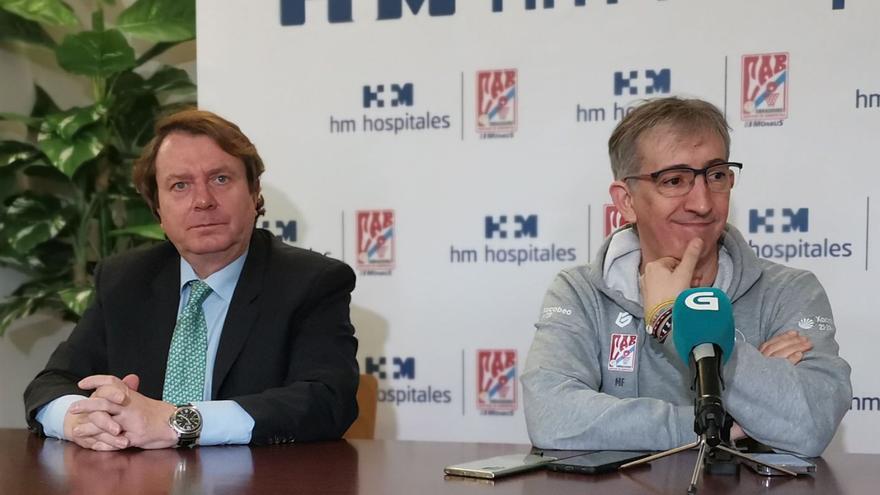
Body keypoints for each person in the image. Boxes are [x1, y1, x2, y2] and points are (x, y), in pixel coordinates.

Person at [522, 97, 851, 457]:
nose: (703, 203)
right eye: (674, 180)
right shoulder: (579, 292)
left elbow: (811, 423)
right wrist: (722, 423)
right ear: (626, 200)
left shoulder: (789, 292)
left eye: (716, 175)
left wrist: (671, 320)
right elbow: (551, 416)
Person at [24, 109, 359, 450]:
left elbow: (328, 401)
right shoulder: (125, 280)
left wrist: (178, 422)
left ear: (254, 192)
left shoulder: (311, 282)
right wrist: (78, 418)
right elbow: (51, 384)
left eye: (220, 179)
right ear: (158, 209)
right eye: (180, 185)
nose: (202, 201)